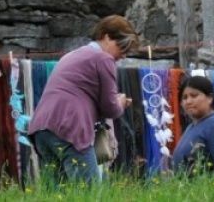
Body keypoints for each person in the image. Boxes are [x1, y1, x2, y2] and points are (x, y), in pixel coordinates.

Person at [27, 15, 136, 185]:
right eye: (122, 47)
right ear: (106, 37)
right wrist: (120, 102)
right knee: (88, 192)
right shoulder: (103, 58)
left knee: (58, 194)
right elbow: (110, 108)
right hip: (70, 128)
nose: (123, 55)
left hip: (42, 128)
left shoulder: (71, 55)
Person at [168, 75, 214, 176]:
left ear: (210, 98)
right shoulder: (192, 127)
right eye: (184, 98)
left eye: (194, 96)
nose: (188, 101)